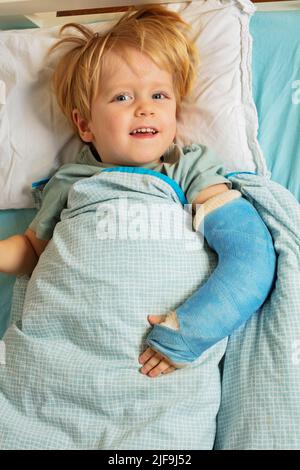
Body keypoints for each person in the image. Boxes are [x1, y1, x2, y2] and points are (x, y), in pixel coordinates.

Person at [0, 5, 276, 378]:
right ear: (85, 125)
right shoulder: (70, 180)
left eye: (160, 96)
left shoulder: (188, 168)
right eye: (122, 98)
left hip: (155, 356)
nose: (145, 108)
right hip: (65, 354)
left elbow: (250, 251)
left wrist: (191, 332)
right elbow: (35, 253)